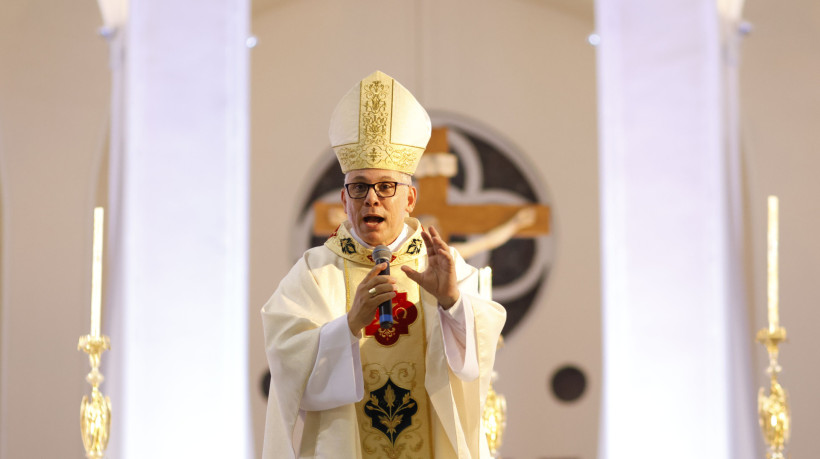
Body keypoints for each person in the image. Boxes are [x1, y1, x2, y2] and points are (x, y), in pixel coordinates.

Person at [261, 70, 506, 458]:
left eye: (385, 186)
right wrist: (349, 324)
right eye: (359, 187)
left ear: (409, 198)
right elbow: (288, 364)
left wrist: (451, 304)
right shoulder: (315, 272)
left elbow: (475, 363)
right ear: (344, 200)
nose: (371, 199)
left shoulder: (443, 266)